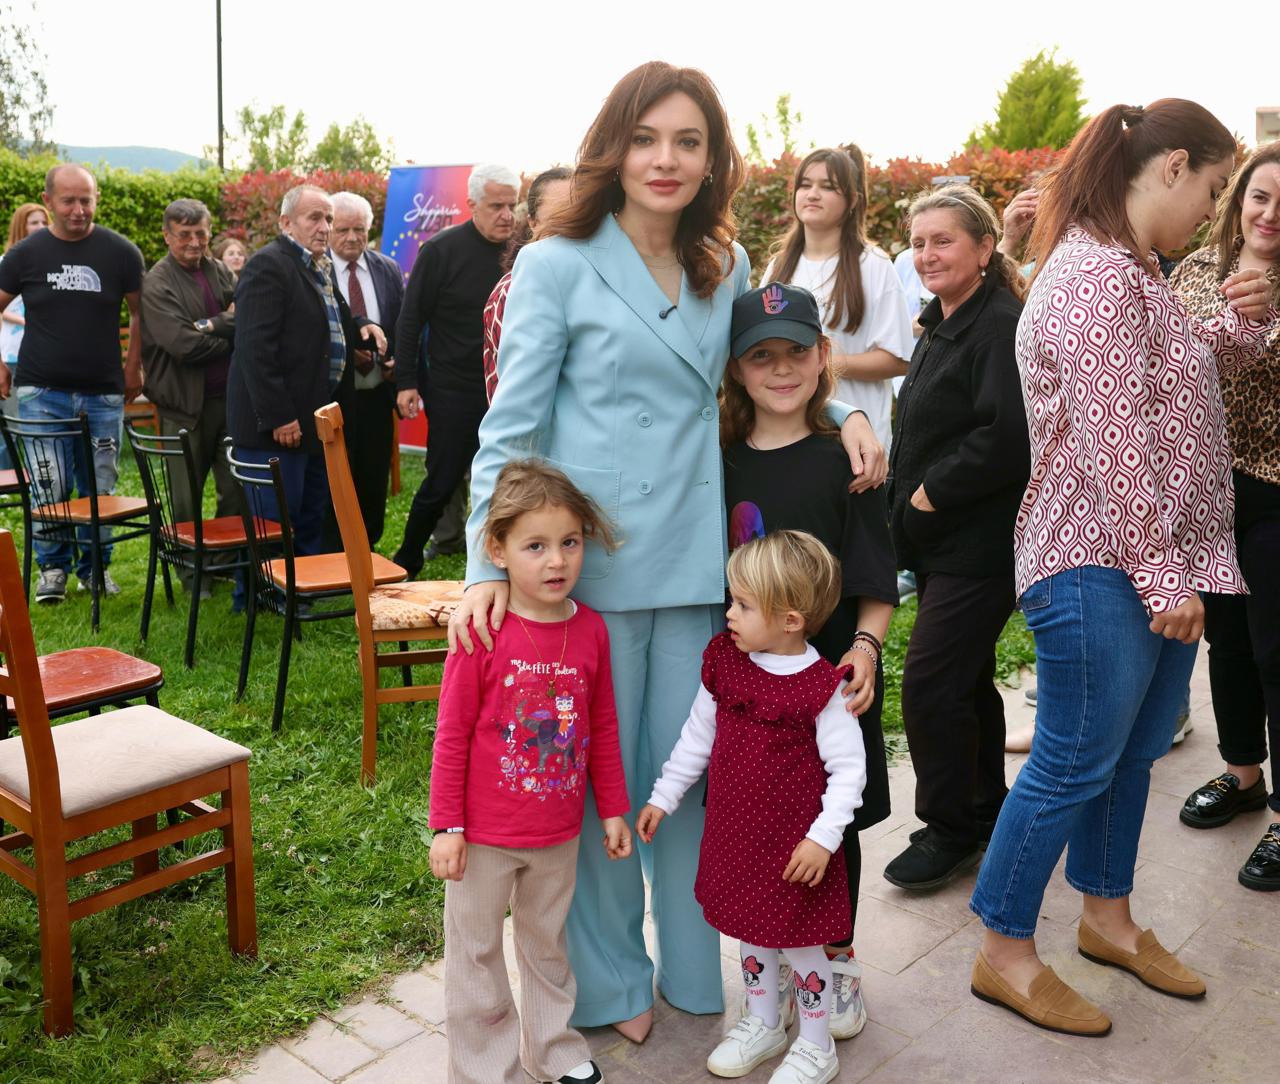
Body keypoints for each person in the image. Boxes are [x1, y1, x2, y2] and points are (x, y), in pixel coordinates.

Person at [446, 61, 886, 1043]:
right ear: (613, 147)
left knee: (689, 784)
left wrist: (847, 415)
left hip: (697, 568)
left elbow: (776, 367)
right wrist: (485, 564)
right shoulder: (556, 263)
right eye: (645, 138)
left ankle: (696, 975)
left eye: (688, 141)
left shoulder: (723, 263)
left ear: (712, 159)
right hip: (588, 571)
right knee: (600, 787)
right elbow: (510, 428)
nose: (665, 159)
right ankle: (613, 986)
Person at [969, 99, 1275, 1037]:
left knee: (1130, 755)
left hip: (1146, 562)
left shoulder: (1134, 269)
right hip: (1099, 564)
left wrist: (1245, 324)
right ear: (1173, 166)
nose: (1216, 211)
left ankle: (1106, 919)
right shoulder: (1095, 275)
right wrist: (1162, 576)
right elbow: (1117, 444)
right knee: (1071, 761)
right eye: (1215, 189)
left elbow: (1175, 375)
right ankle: (1003, 951)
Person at [720, 282, 897, 1039]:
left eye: (797, 351)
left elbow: (877, 577)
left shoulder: (845, 461)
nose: (782, 369)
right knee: (759, 822)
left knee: (833, 827)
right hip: (751, 689)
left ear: (824, 355)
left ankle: (838, 963)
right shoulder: (720, 460)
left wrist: (865, 647)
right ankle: (783, 969)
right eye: (761, 356)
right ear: (736, 369)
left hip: (829, 685)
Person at [636, 530, 866, 1084]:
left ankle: (817, 1046)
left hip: (795, 851)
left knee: (803, 947)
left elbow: (849, 772)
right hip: (737, 837)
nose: (729, 614)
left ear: (790, 620)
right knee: (751, 933)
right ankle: (764, 1021)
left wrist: (822, 839)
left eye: (742, 605)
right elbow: (696, 738)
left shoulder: (821, 689)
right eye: (731, 600)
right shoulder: (727, 663)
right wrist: (664, 796)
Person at [429, 459, 631, 1084]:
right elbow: (452, 735)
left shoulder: (591, 630)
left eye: (569, 542)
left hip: (557, 833)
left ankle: (554, 1050)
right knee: (476, 952)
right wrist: (447, 827)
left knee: (547, 945)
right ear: (498, 550)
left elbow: (602, 726)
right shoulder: (482, 632)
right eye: (535, 546)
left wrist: (613, 808)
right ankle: (485, 1068)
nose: (556, 561)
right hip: (483, 837)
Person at [880, 185, 1029, 891]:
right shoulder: (945, 317)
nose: (927, 254)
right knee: (965, 679)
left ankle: (949, 828)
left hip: (978, 544)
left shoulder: (996, 324)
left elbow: (1008, 436)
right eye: (918, 242)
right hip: (942, 543)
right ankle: (985, 809)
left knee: (931, 683)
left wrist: (928, 493)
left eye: (943, 241)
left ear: (984, 248)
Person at [1170, 142, 1280, 891]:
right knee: (1230, 642)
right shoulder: (1193, 272)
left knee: (1279, 652)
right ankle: (1243, 774)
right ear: (1237, 199)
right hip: (1210, 490)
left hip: (1276, 490)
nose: (1270, 214)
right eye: (1259, 196)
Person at [0, 164, 145, 604]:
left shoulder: (121, 252)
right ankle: (52, 570)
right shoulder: (25, 255)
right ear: (49, 201)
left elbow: (140, 313)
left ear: (96, 199)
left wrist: (134, 367)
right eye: (69, 201)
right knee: (51, 485)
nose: (79, 209)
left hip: (103, 392)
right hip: (41, 392)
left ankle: (95, 569)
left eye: (87, 200)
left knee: (100, 484)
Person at [226, 185, 386, 556]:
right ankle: (262, 589)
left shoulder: (316, 266)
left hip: (313, 421)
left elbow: (325, 321)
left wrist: (362, 325)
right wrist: (280, 417)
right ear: (286, 223)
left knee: (309, 522)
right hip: (276, 429)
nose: (325, 227)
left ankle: (302, 586)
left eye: (328, 218)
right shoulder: (268, 265)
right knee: (272, 532)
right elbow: (254, 349)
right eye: (315, 218)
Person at [392, 163, 519, 577]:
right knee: (442, 480)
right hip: (453, 389)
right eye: (496, 206)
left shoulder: (525, 252)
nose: (507, 215)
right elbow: (411, 319)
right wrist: (406, 382)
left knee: (511, 481)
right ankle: (406, 560)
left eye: (512, 205)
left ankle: (505, 563)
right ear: (472, 205)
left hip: (510, 388)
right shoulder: (441, 251)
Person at [766, 147, 913, 451]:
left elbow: (897, 360)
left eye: (828, 186)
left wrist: (821, 362)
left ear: (852, 200)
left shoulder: (873, 265)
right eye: (805, 184)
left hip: (856, 446)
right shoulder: (778, 267)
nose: (813, 194)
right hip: (787, 438)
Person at [140, 197, 239, 594]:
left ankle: (222, 562)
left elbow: (246, 318)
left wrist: (209, 325)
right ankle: (192, 574)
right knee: (186, 497)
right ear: (167, 236)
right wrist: (228, 332)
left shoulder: (220, 271)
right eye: (185, 235)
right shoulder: (157, 282)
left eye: (201, 233)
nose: (195, 242)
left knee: (236, 487)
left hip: (228, 401)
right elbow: (184, 345)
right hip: (183, 406)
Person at [329, 190, 404, 547]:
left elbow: (401, 322)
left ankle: (368, 549)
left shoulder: (387, 268)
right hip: (333, 398)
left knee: (373, 477)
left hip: (377, 393)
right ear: (329, 229)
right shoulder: (316, 270)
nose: (352, 237)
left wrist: (396, 360)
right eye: (342, 229)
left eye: (359, 229)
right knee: (335, 479)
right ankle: (334, 552)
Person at [482, 166, 573, 403]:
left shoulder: (603, 282)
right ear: (532, 223)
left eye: (579, 219)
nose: (571, 232)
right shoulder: (511, 292)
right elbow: (514, 399)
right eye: (557, 221)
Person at [0, 202, 48, 469]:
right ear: (21, 226)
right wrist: (25, 320)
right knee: (12, 426)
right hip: (12, 354)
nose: (41, 227)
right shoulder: (5, 263)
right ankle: (7, 482)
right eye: (34, 222)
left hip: (42, 356)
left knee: (38, 427)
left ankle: (35, 481)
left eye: (44, 222)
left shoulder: (49, 263)